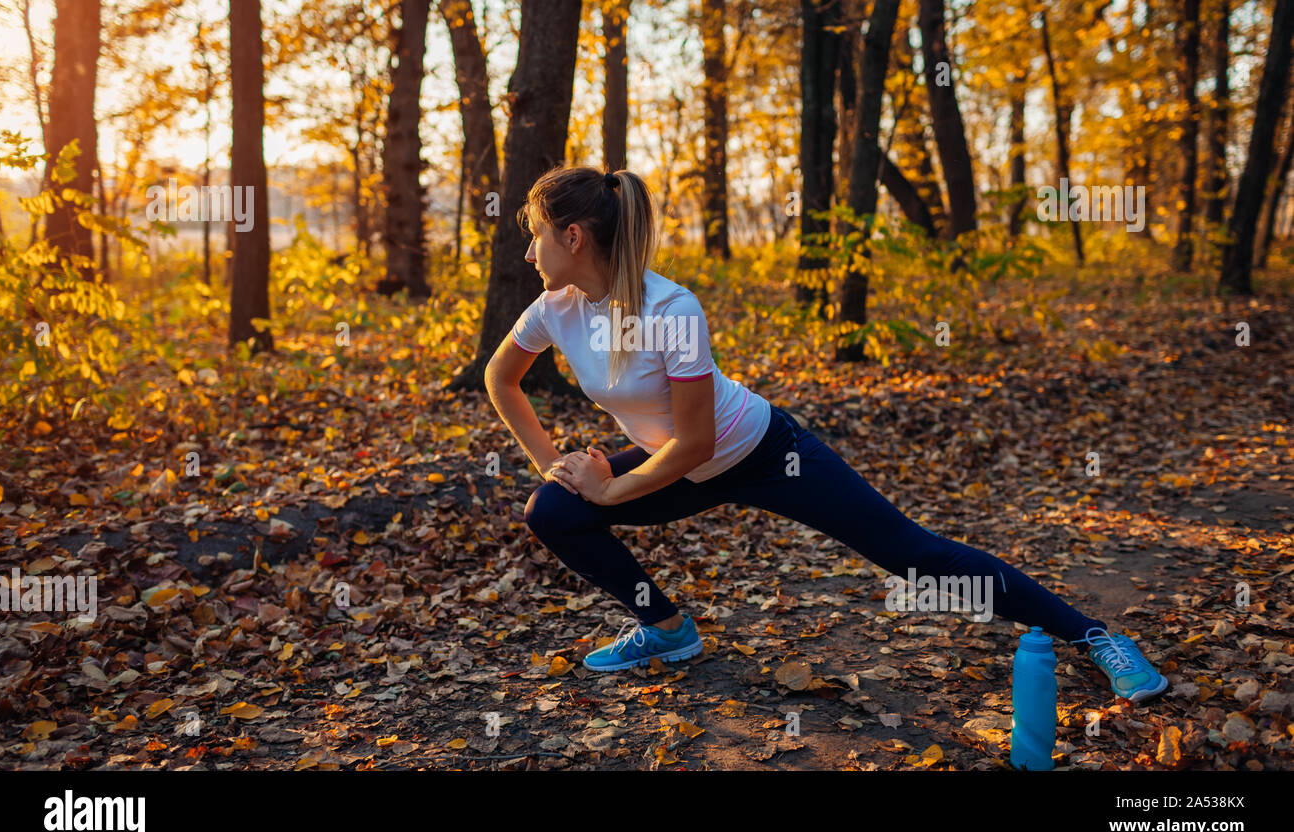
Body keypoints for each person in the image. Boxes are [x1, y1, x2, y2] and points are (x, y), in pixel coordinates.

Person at [483, 165, 1168, 703]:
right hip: (676, 465)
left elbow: (695, 443)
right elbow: (501, 379)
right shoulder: (555, 309)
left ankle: (1095, 636)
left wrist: (612, 489)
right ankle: (665, 630)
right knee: (552, 510)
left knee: (912, 556)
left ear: (573, 236)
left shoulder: (671, 308)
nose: (529, 247)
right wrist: (558, 469)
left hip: (764, 452)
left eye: (536, 231)